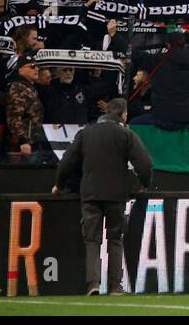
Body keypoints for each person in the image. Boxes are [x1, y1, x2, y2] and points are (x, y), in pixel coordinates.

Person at [53, 98, 153, 296]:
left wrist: (59, 184)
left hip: (90, 193)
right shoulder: (126, 134)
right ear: (124, 114)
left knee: (92, 239)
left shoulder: (86, 132)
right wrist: (144, 184)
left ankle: (93, 284)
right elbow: (145, 163)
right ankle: (115, 286)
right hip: (116, 193)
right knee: (115, 238)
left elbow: (67, 161)